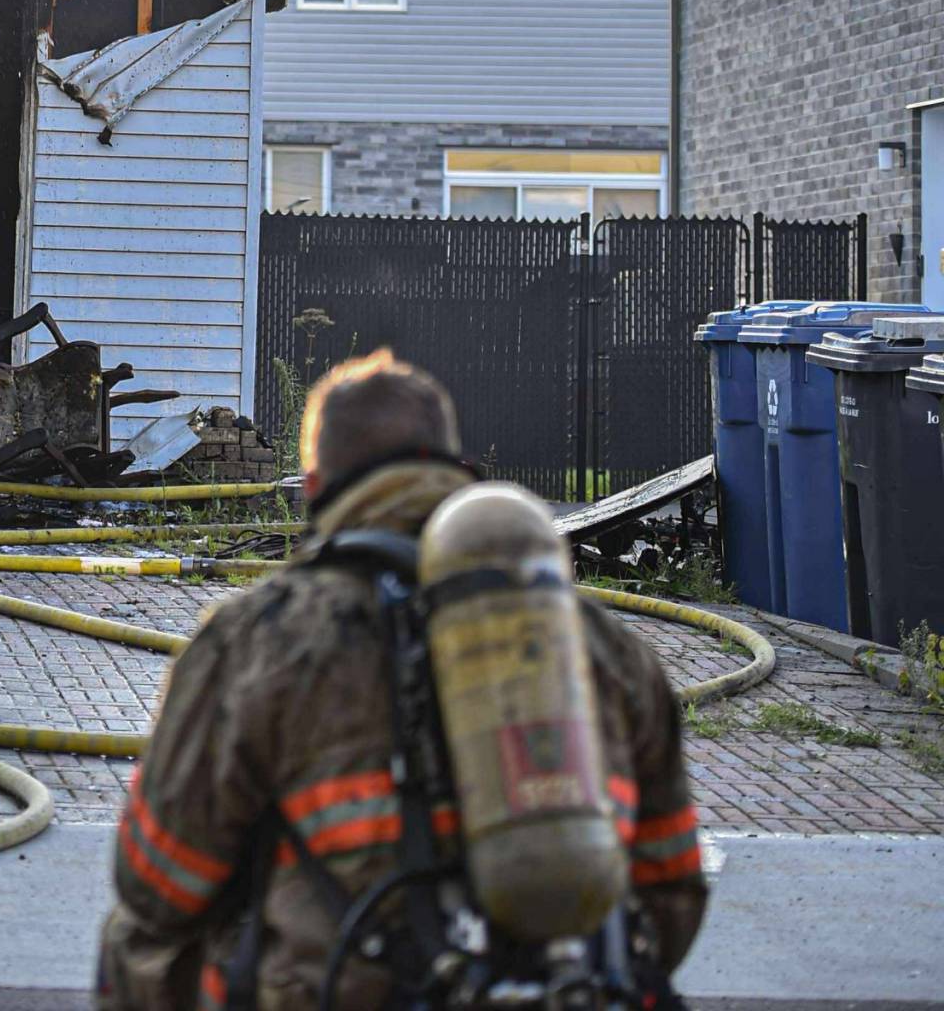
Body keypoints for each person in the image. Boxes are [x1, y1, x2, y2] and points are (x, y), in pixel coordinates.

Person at [95, 351, 707, 1010]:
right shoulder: (606, 649)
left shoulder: (256, 643)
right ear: (453, 469)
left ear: (316, 485)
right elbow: (671, 892)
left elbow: (159, 883)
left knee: (137, 943)